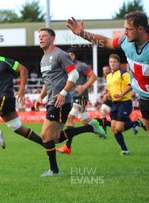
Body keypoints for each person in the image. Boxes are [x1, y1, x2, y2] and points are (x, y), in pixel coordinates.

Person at [33, 28, 106, 177]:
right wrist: (40, 96)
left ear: (53, 38)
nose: (41, 38)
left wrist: (63, 93)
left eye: (44, 36)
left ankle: (54, 171)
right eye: (39, 36)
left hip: (61, 101)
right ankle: (90, 128)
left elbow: (74, 74)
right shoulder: (43, 58)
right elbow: (48, 82)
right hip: (52, 100)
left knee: (45, 136)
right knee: (55, 138)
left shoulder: (60, 54)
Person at [67, 12, 149, 130]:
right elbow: (106, 42)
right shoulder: (125, 41)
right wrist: (82, 34)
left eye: (128, 29)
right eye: (125, 28)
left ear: (140, 29)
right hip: (144, 97)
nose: (125, 32)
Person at [57, 48, 98, 154]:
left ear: (75, 55)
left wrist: (84, 87)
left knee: (70, 118)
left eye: (71, 54)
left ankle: (67, 147)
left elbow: (94, 77)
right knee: (85, 121)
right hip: (71, 97)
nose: (69, 57)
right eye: (68, 55)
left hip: (82, 97)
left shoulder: (81, 65)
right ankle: (99, 126)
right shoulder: (66, 67)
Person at [103, 54, 143, 155]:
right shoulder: (108, 76)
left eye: (114, 62)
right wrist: (107, 95)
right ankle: (125, 150)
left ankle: (136, 123)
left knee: (119, 128)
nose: (112, 64)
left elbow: (130, 86)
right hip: (115, 103)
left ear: (118, 63)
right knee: (113, 128)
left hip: (125, 102)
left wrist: (121, 94)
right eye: (110, 62)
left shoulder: (123, 73)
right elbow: (110, 90)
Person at [98, 65, 113, 133]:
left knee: (120, 119)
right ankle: (104, 131)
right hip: (108, 99)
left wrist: (105, 94)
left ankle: (135, 123)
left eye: (107, 70)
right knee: (103, 112)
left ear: (109, 70)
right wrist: (103, 94)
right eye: (104, 70)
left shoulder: (112, 77)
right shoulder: (105, 79)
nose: (105, 71)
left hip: (114, 99)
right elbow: (106, 89)